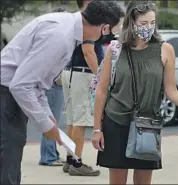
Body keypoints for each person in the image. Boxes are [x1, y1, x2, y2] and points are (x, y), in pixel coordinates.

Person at [0, 0, 124, 184]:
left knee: (12, 154)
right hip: (6, 96)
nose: (112, 36)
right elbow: (21, 85)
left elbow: (38, 84)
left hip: (11, 94)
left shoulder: (68, 29)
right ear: (104, 28)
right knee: (8, 158)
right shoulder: (59, 36)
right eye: (114, 31)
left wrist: (47, 116)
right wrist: (44, 124)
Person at [91, 1, 178, 184]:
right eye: (143, 23)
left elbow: (171, 91)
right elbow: (102, 91)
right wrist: (97, 129)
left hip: (147, 125)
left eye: (152, 23)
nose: (148, 28)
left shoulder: (165, 50)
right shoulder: (115, 50)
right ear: (131, 23)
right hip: (115, 122)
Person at [61, 1, 124, 177]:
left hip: (72, 72)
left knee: (73, 120)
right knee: (80, 120)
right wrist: (99, 77)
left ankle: (70, 159)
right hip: (82, 73)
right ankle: (77, 162)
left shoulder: (80, 22)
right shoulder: (89, 25)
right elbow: (88, 51)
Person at [37, 6, 66, 167]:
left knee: (53, 119)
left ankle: (52, 153)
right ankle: (48, 156)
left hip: (54, 83)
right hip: (53, 84)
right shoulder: (54, 38)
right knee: (50, 120)